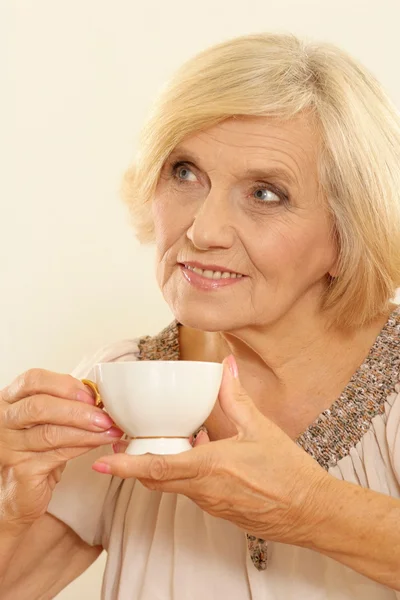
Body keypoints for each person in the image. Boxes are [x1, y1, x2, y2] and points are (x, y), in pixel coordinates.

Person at [1, 32, 400, 600]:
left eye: (266, 193)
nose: (202, 231)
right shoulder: (119, 386)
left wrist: (310, 508)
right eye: (184, 172)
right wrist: (14, 507)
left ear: (347, 233)